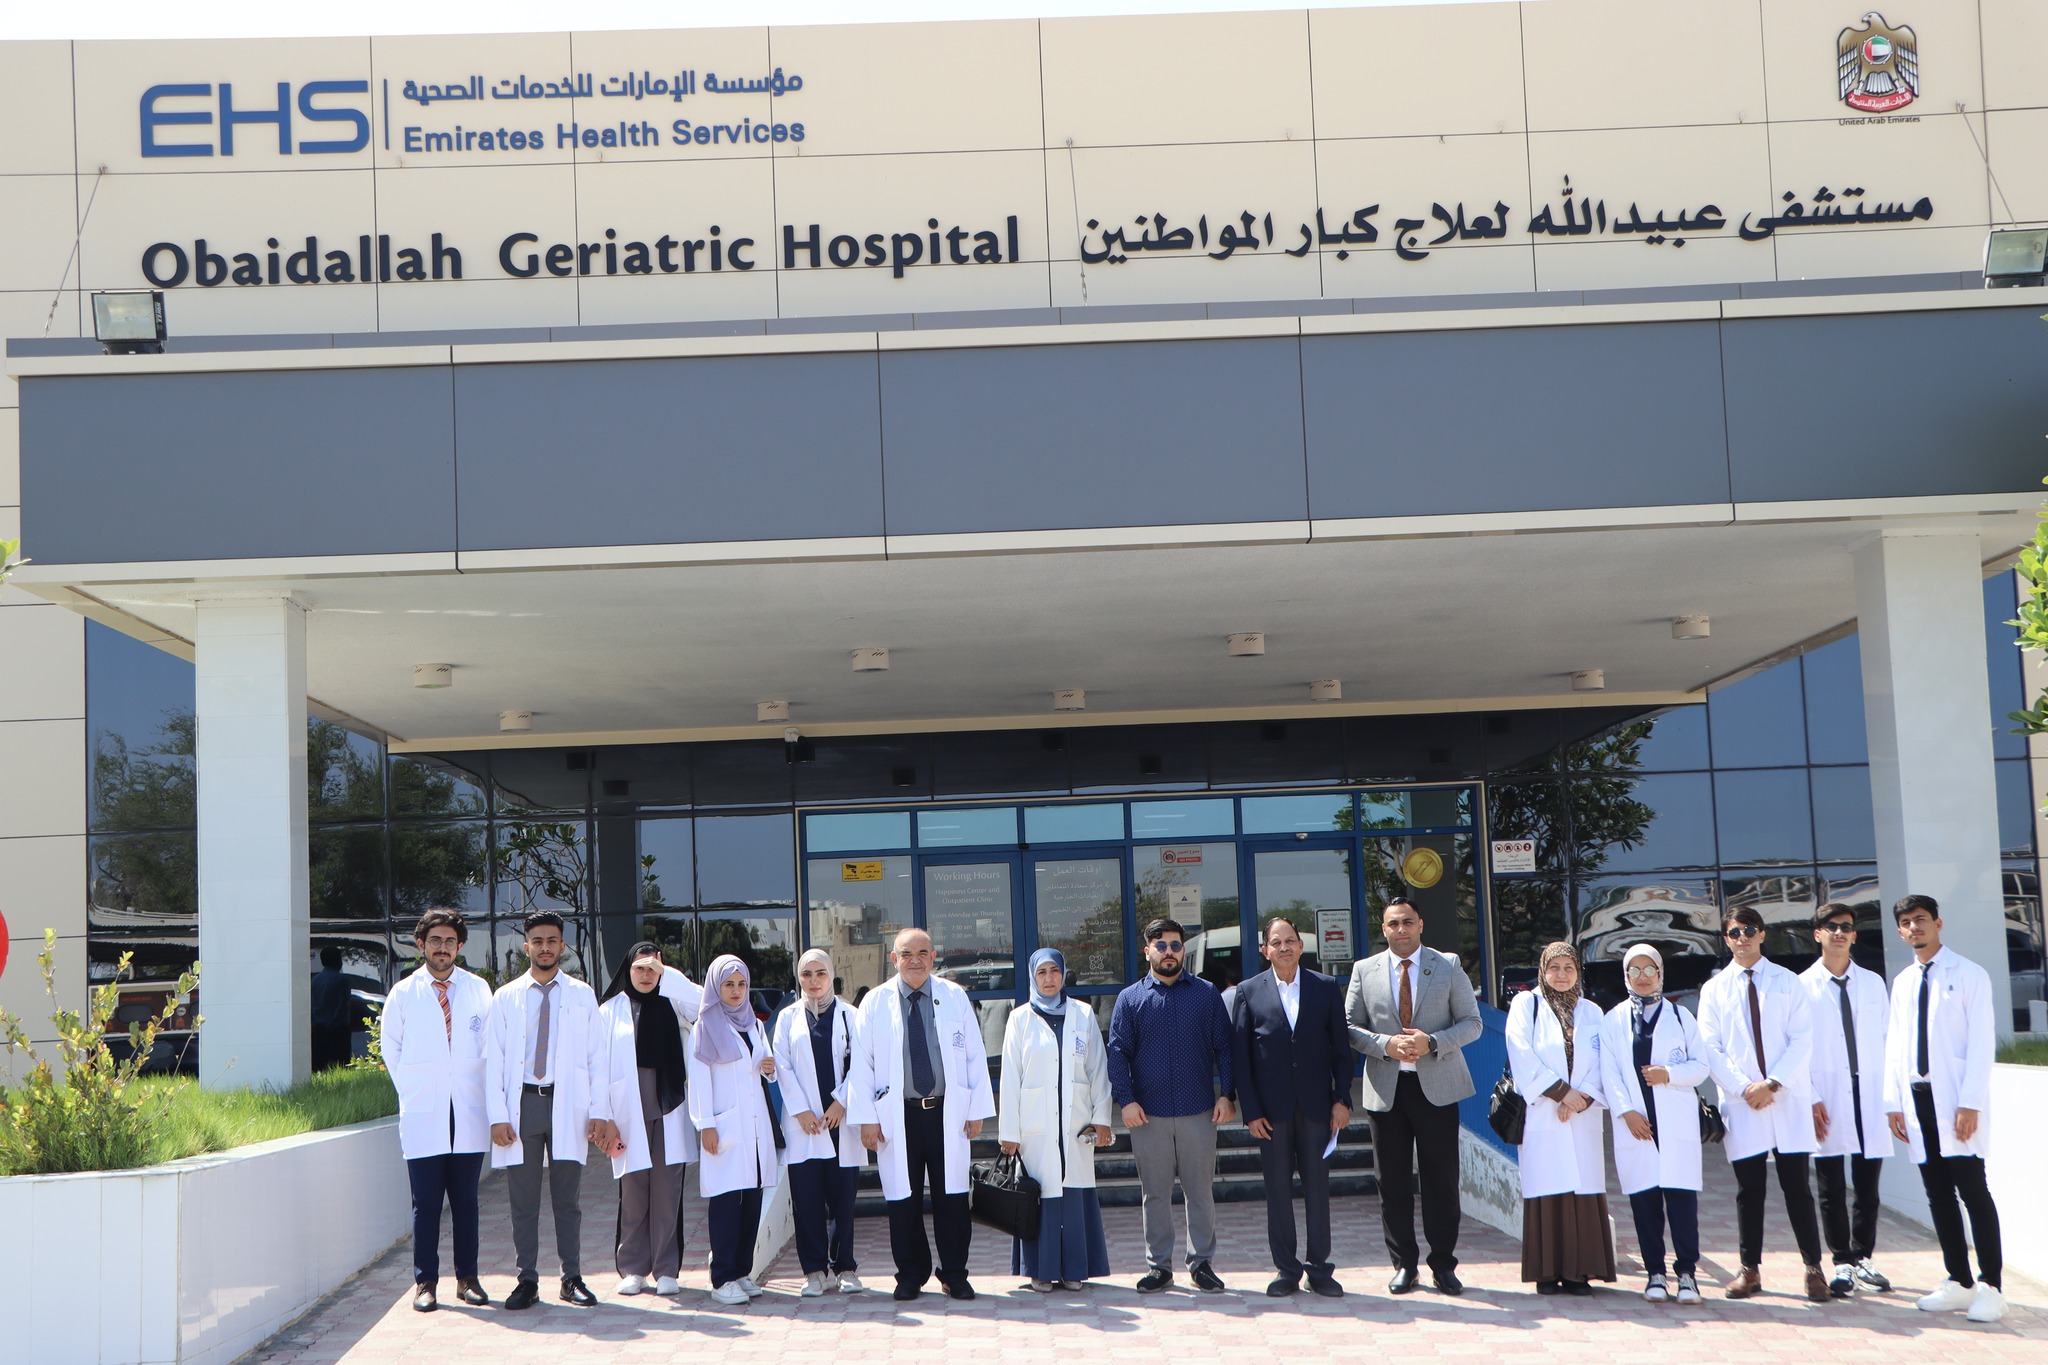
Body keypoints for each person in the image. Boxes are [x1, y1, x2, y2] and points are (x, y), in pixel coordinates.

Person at [846, 927, 996, 1302]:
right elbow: (861, 1065)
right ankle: (910, 1275)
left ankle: (954, 1274)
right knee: (903, 1199)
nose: (915, 960)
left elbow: (975, 1055)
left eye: (922, 953)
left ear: (933, 957)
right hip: (898, 1116)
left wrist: (976, 1108)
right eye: (906, 954)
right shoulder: (875, 1003)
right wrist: (867, 1118)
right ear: (893, 959)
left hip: (947, 1112)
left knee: (952, 1198)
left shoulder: (954, 997)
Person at [1343, 897, 1482, 1295]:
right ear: (1383, 929)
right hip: (1387, 1091)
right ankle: (1404, 1264)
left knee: (1441, 1181)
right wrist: (1385, 1045)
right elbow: (1348, 1026)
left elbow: (1472, 1023)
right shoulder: (1364, 969)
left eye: (1407, 922)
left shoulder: (1447, 965)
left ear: (1420, 924)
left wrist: (1432, 1042)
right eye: (1393, 923)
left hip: (1437, 1087)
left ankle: (1443, 1265)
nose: (1400, 929)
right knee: (1392, 1182)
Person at [1883, 894, 2005, 1323]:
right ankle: (1959, 1280)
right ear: (1900, 931)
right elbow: (1895, 1045)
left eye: (1920, 919)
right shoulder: (1903, 981)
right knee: (1937, 1194)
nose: (1913, 927)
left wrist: (1970, 1102)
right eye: (1905, 922)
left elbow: (1982, 1042)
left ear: (1938, 923)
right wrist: (1893, 1102)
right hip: (1916, 1099)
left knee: (1973, 1191)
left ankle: (1991, 1286)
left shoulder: (1968, 973)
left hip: (1955, 1099)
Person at [484, 910, 614, 1310]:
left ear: (562, 946)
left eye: (552, 941)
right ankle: (526, 1280)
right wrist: (497, 1115)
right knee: (523, 1201)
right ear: (527, 946)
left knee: (567, 1199)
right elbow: (493, 1060)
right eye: (537, 941)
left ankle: (571, 1277)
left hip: (567, 1103)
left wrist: (599, 1110)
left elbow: (597, 1058)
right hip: (522, 1105)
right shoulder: (506, 997)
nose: (545, 948)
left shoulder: (581, 994)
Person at [1696, 906, 1827, 1302]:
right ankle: (1749, 1270)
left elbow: (1802, 1039)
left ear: (1763, 934)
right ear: (1726, 939)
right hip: (1743, 1103)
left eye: (1749, 930)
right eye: (1735, 932)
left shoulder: (1788, 982)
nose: (1743, 938)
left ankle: (1813, 1269)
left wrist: (1772, 1084)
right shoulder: (1714, 990)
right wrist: (1745, 1089)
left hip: (1785, 1097)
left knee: (1797, 1188)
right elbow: (1711, 1048)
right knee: (1749, 1190)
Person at [1107, 917, 1235, 1294]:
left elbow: (1225, 1048)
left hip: (1199, 1111)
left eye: (1175, 945)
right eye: (1160, 945)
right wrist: (1126, 1100)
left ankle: (1202, 1263)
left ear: (1183, 950)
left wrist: (1227, 1094)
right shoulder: (1130, 999)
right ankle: (1159, 1266)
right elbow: (1117, 1052)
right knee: (1155, 1194)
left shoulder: (1206, 994)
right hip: (1148, 1115)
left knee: (1200, 1192)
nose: (1168, 952)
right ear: (1147, 950)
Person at [1229, 917, 1350, 1298]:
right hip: (1271, 1113)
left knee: (1317, 1190)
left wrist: (1342, 1098)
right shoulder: (1248, 992)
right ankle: (1286, 1270)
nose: (1284, 947)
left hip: (1317, 1108)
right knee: (1278, 1193)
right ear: (1265, 950)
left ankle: (1320, 1270)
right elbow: (1241, 1059)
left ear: (1300, 946)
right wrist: (1251, 1112)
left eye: (1290, 941)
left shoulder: (1325, 987)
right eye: (1276, 942)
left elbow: (1340, 1050)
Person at [382, 910, 493, 1313]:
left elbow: (490, 1047)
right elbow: (391, 1049)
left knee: (466, 1203)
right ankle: (425, 1282)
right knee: (425, 1204)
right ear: (421, 945)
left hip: (468, 1110)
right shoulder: (403, 994)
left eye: (449, 941)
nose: (442, 948)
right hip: (424, 1112)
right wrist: (415, 1091)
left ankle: (468, 1280)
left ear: (459, 946)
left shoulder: (478, 989)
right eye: (435, 941)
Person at [998, 948, 1113, 1293]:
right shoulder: (1020, 1018)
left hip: (1077, 1122)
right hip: (1035, 1126)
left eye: (1055, 971)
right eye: (1042, 972)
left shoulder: (1083, 1013)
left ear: (1064, 974)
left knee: (1074, 1195)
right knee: (1040, 1197)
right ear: (1032, 977)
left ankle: (1074, 1269)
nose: (1049, 979)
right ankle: (1040, 1269)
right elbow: (1010, 1077)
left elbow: (1098, 1070)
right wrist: (1009, 1131)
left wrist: (1102, 1118)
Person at [1598, 944, 1707, 1306]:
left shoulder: (1681, 1016)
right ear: (1625, 975)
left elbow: (1701, 1066)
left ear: (1660, 974)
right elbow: (1609, 1072)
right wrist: (1626, 1112)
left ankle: (1687, 1274)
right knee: (1645, 1203)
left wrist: (1668, 1074)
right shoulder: (1613, 1019)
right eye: (1635, 970)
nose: (1642, 977)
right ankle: (1655, 1274)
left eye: (1649, 970)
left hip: (1674, 1122)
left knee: (1681, 1202)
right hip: (1637, 1124)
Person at [1506, 941, 1613, 1295]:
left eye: (1569, 968)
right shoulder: (1528, 1005)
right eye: (1554, 967)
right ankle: (1548, 1272)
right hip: (1544, 1113)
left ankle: (1580, 1272)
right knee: (1548, 1189)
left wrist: (1580, 1099)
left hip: (1582, 1114)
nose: (1562, 975)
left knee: (1582, 1189)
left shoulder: (1593, 1012)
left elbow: (1605, 1062)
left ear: (1578, 972)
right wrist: (1561, 1093)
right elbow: (1520, 1052)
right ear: (1542, 970)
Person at [596, 942, 701, 1298]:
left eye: (652, 968)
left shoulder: (675, 1001)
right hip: (627, 1111)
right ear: (627, 970)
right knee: (634, 1192)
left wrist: (667, 975)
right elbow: (598, 1068)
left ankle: (667, 1269)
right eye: (639, 968)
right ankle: (633, 1268)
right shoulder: (610, 1010)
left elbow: (704, 1002)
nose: (645, 975)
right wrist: (605, 1119)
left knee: (668, 1192)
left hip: (668, 1106)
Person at [1799, 903, 1893, 1298]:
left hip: (1869, 1094)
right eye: (1831, 926)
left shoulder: (1872, 983)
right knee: (1830, 1186)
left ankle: (1863, 1256)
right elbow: (1796, 1048)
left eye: (1846, 927)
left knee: (1868, 1187)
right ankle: (1841, 1261)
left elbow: (1889, 1040)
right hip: (1826, 1096)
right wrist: (1810, 1097)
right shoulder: (1801, 987)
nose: (1839, 933)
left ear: (1854, 935)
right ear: (1817, 933)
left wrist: (1892, 1098)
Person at [771, 948, 867, 1296]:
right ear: (799, 978)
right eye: (807, 974)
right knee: (807, 1200)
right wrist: (799, 1110)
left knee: (843, 1201)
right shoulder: (788, 1018)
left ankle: (845, 1268)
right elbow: (781, 1064)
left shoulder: (851, 1016)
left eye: (820, 973)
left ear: (831, 975)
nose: (814, 981)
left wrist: (841, 1102)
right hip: (805, 1125)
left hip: (841, 1122)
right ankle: (814, 1270)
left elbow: (863, 1063)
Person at [690, 954, 782, 1306]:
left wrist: (769, 1069)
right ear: (716, 987)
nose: (736, 990)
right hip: (724, 1123)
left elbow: (765, 1069)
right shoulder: (705, 1027)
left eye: (742, 984)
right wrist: (706, 1125)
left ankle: (742, 1271)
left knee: (752, 1198)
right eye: (728, 984)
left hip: (755, 1125)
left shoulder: (754, 1025)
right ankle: (722, 1278)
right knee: (727, 1202)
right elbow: (698, 1080)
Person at [311, 945, 352, 1071]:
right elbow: (343, 1005)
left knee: (320, 1065)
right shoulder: (342, 979)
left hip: (317, 1029)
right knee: (340, 1065)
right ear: (337, 961)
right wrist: (333, 1022)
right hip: (338, 1030)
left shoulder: (314, 980)